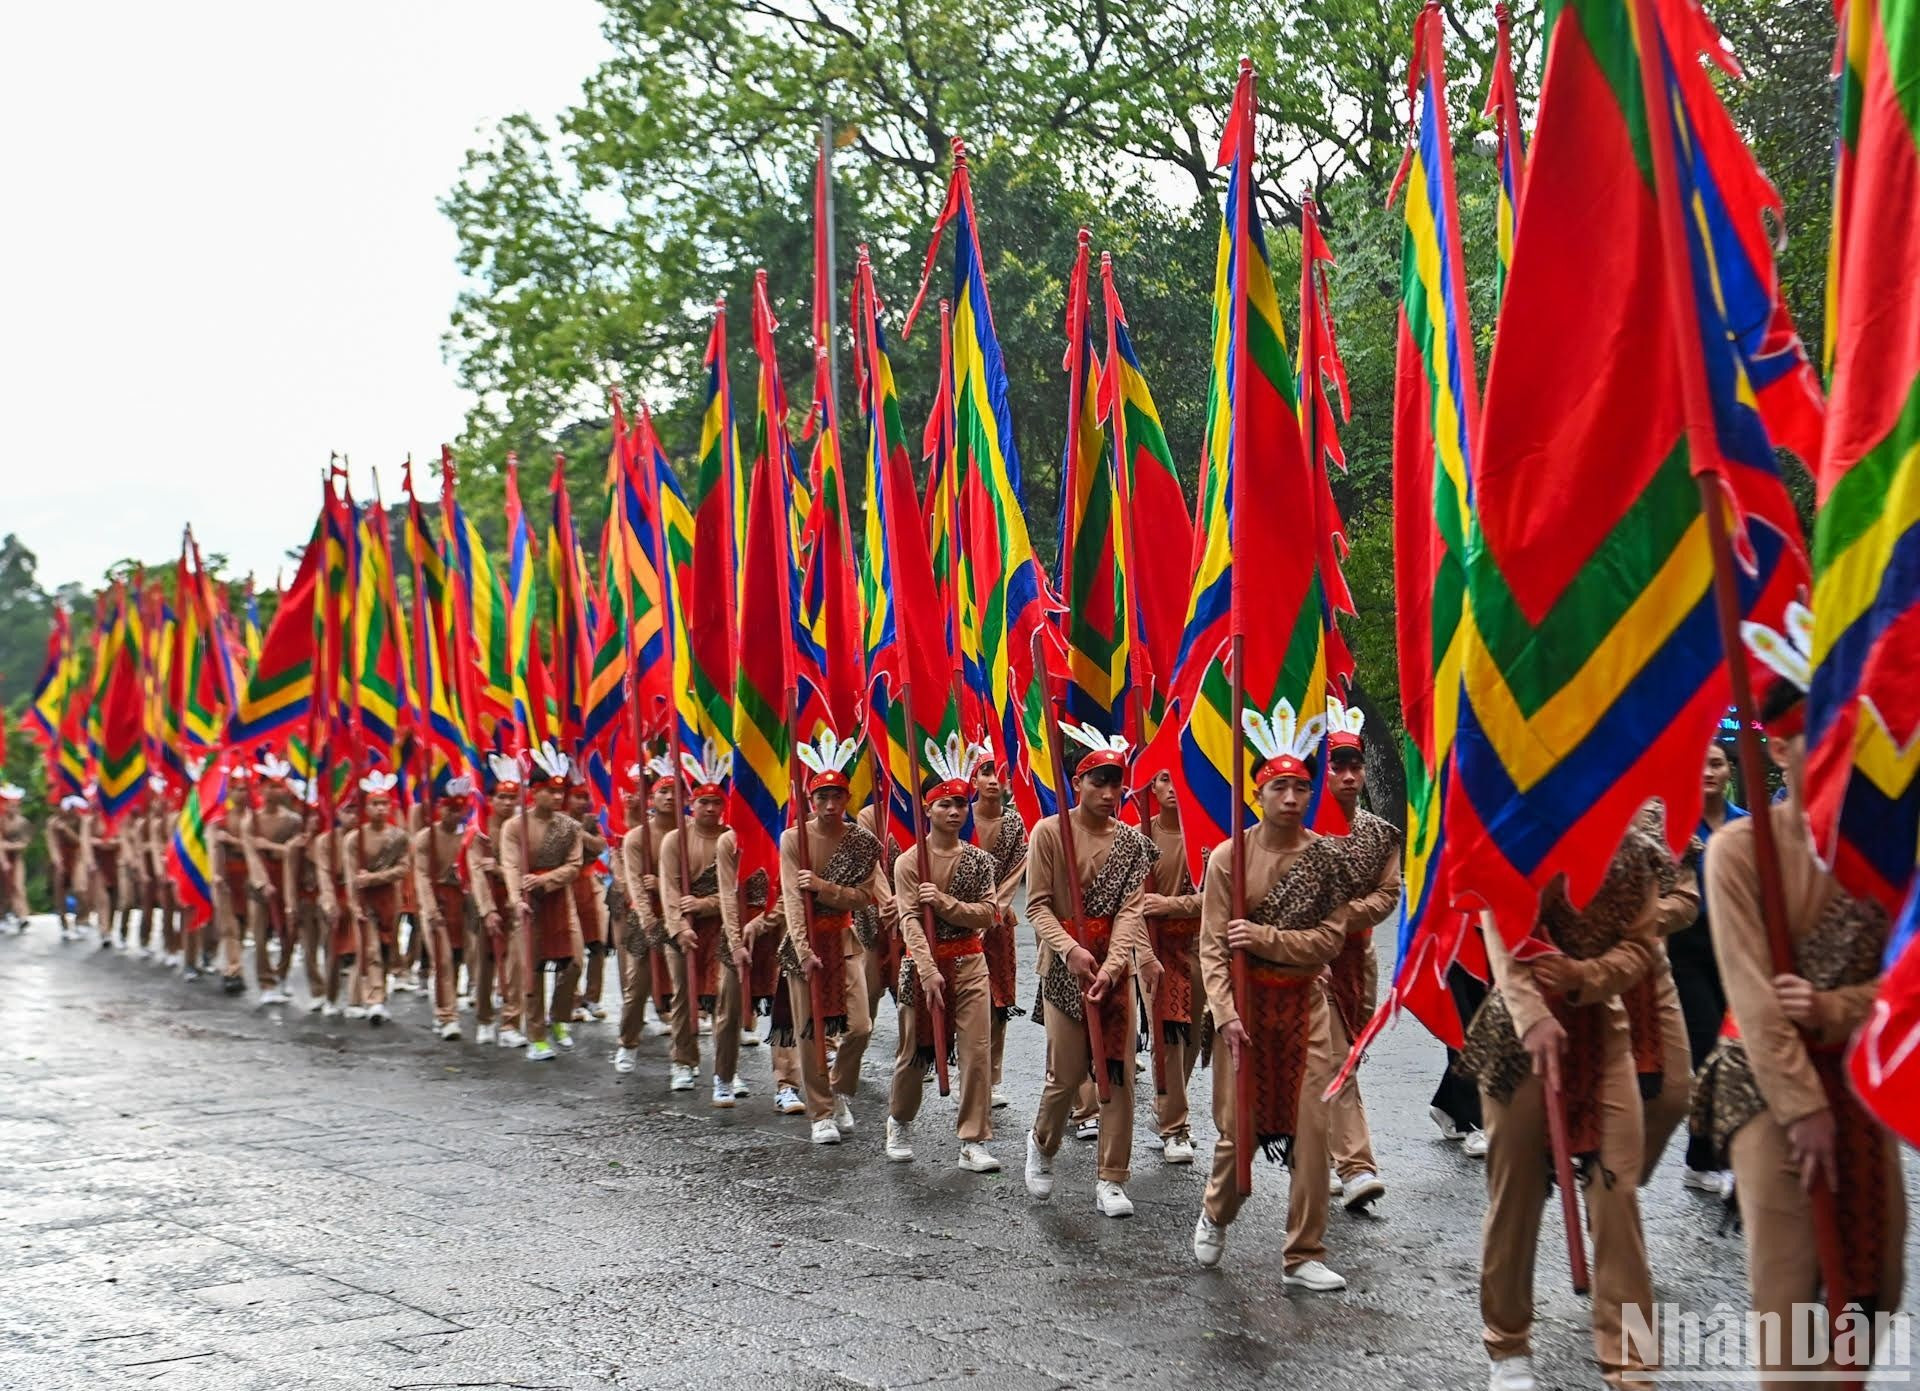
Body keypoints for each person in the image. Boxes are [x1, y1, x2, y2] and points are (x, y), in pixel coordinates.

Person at [1693, 629, 1904, 1386]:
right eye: (1811, 734)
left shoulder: (1890, 851)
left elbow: (1905, 981)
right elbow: (1752, 995)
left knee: (1871, 1289)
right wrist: (1801, 1103)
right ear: (1778, 750)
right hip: (1768, 1087)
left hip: (1859, 1078)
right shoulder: (1739, 852)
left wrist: (1834, 1004)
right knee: (1789, 1302)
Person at [1457, 821, 1669, 1387]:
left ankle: (1633, 1363)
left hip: (1603, 1033)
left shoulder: (1639, 853)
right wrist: (1533, 1015)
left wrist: (1586, 976)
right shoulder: (1520, 834)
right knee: (1516, 1193)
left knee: (1617, 1193)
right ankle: (1507, 1343)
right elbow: (1499, 927)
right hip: (1517, 1037)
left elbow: (1644, 946)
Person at [1187, 703, 1349, 1290]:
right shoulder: (1230, 857)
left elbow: (1329, 941)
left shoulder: (1326, 858)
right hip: (1247, 1011)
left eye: (1301, 787)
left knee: (1313, 1131)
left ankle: (1304, 1251)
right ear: (1258, 793)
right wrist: (1226, 1014)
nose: (1291, 797)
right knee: (1241, 1133)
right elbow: (1212, 948)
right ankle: (1215, 1210)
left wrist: (1265, 938)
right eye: (1279, 786)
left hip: (1305, 1007)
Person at [1023, 722, 1160, 1218]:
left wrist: (1114, 961)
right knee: (1067, 1075)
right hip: (1064, 971)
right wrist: (1070, 950)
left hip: (1113, 970)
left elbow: (1131, 909)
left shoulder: (1132, 843)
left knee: (1118, 1072)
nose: (1108, 793)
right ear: (1076, 784)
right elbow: (1036, 906)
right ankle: (1042, 1143)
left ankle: (1112, 1177)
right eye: (1097, 782)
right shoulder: (1049, 833)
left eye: (1116, 783)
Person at [885, 742, 1001, 1172]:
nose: (955, 812)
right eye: (945, 804)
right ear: (928, 810)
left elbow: (989, 914)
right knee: (915, 1053)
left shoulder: (978, 862)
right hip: (922, 967)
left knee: (976, 1053)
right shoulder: (910, 862)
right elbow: (909, 920)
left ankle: (974, 1139)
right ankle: (899, 1120)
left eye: (960, 804)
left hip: (970, 962)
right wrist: (928, 969)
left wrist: (948, 904)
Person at [780, 730, 885, 1145]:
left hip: (844, 939)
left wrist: (825, 888)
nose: (828, 805)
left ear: (846, 800)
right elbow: (791, 897)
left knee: (859, 1026)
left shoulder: (862, 843)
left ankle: (839, 1087)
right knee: (810, 1031)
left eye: (836, 797)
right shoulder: (794, 839)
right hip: (804, 947)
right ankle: (820, 1111)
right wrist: (803, 949)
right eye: (821, 797)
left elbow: (865, 897)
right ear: (811, 801)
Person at [1322, 699, 1399, 1212]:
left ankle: (1323, 1150)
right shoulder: (1299, 831)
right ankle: (1357, 1166)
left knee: (1337, 1059)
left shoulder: (1380, 834)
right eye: (1338, 766)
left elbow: (1388, 894)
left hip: (1358, 964)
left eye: (1355, 766)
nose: (1349, 776)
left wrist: (1345, 916)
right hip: (1308, 967)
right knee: (1336, 1060)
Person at [1673, 740, 1742, 1194]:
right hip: (1685, 948)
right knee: (1705, 1049)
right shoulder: (1674, 827)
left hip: (1735, 949)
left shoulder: (1747, 826)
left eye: (1716, 763)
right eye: (1700, 764)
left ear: (1729, 770)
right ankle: (1712, 1157)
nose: (1708, 772)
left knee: (1736, 1052)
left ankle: (1703, 1158)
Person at [659, 746, 741, 1100]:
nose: (710, 808)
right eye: (703, 801)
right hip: (684, 931)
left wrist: (707, 904)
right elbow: (669, 888)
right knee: (684, 994)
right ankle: (683, 1060)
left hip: (724, 927)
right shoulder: (675, 839)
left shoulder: (734, 838)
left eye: (717, 801)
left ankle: (726, 1071)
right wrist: (679, 926)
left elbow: (738, 890)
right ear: (691, 802)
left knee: (728, 1000)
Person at [500, 744, 587, 1063]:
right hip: (528, 906)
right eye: (550, 791)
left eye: (560, 791)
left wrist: (545, 880)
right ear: (534, 792)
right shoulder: (514, 826)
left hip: (562, 902)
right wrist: (515, 899)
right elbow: (510, 865)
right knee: (532, 969)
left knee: (575, 962)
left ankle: (559, 1017)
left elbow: (575, 866)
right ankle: (536, 1034)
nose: (557, 797)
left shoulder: (570, 827)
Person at [1139, 769, 1204, 1165]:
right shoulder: (1139, 835)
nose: (1171, 788)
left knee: (1195, 1034)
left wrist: (1172, 905)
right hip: (1155, 945)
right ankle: (1175, 1127)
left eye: (1178, 778)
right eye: (1162, 779)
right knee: (1170, 1033)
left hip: (1199, 944)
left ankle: (1165, 1105)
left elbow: (1221, 895)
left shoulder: (1208, 834)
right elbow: (1132, 899)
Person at [967, 748, 1028, 1108]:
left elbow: (1014, 875)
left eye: (998, 773)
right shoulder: (960, 817)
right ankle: (966, 1070)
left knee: (999, 1002)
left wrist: (991, 914)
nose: (992, 780)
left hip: (998, 924)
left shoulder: (1014, 823)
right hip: (960, 922)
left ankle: (993, 1077)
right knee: (966, 1000)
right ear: (973, 779)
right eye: (985, 772)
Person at [613, 762, 677, 1073]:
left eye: (675, 791)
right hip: (647, 920)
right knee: (637, 987)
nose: (669, 797)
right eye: (663, 791)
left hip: (682, 918)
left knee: (688, 987)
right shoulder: (637, 837)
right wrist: (648, 917)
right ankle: (628, 1043)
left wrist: (665, 886)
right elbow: (636, 883)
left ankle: (684, 1057)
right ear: (651, 798)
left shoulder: (691, 832)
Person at [411, 778, 481, 1041]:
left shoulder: (469, 837)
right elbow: (421, 877)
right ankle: (446, 1015)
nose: (455, 813)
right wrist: (430, 910)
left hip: (464, 904)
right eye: (450, 808)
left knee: (463, 956)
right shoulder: (425, 838)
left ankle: (467, 994)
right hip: (438, 903)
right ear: (440, 808)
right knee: (442, 960)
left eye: (460, 808)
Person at [343, 771, 409, 1026]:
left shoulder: (399, 837)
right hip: (365, 901)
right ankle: (375, 1000)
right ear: (366, 807)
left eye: (384, 803)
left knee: (386, 949)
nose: (381, 808)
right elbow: (351, 876)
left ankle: (373, 994)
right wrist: (353, 904)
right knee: (371, 950)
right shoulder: (353, 839)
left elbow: (403, 869)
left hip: (389, 899)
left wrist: (374, 878)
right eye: (375, 804)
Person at [471, 762, 525, 1048]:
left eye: (512, 797)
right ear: (491, 800)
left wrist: (502, 871)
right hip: (487, 904)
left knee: (517, 964)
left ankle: (511, 1022)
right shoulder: (479, 828)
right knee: (485, 964)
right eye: (501, 797)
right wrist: (487, 909)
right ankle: (483, 1018)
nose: (506, 802)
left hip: (515, 902)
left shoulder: (521, 828)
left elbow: (524, 868)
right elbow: (476, 870)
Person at [247, 757, 305, 1005]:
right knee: (259, 934)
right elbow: (251, 853)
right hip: (261, 883)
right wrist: (262, 882)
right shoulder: (251, 820)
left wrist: (271, 846)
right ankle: (265, 981)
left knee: (289, 931)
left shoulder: (294, 821)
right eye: (270, 786)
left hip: (288, 880)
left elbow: (295, 852)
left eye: (279, 786)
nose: (275, 791)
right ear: (260, 788)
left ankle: (281, 973)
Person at [564, 778, 612, 1024]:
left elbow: (601, 844)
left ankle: (592, 997)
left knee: (598, 944)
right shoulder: (555, 819)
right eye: (578, 796)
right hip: (565, 886)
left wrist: (578, 832)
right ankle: (570, 999)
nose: (583, 802)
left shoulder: (593, 821)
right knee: (571, 949)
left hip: (590, 884)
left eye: (586, 797)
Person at [209, 771, 254, 994]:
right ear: (229, 792)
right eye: (238, 789)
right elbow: (213, 848)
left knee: (245, 924)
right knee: (229, 926)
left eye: (246, 789)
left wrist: (234, 841)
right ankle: (234, 968)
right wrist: (216, 874)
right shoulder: (220, 819)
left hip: (247, 876)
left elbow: (255, 846)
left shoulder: (253, 818)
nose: (242, 794)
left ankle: (235, 964)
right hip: (226, 877)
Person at [47, 795, 87, 939]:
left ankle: (81, 920)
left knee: (80, 889)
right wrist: (57, 861)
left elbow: (80, 842)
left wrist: (66, 830)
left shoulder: (81, 821)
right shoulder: (52, 823)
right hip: (61, 859)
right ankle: (64, 924)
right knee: (60, 893)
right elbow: (52, 843)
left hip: (77, 858)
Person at [0, 785, 30, 932]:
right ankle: (3, 915)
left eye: (15, 805)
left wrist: (8, 846)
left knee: (18, 887)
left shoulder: (22, 822)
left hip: (17, 859)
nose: (12, 808)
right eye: (9, 805)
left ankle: (22, 916)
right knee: (4, 890)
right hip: (2, 860)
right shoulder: (1, 821)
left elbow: (24, 844)